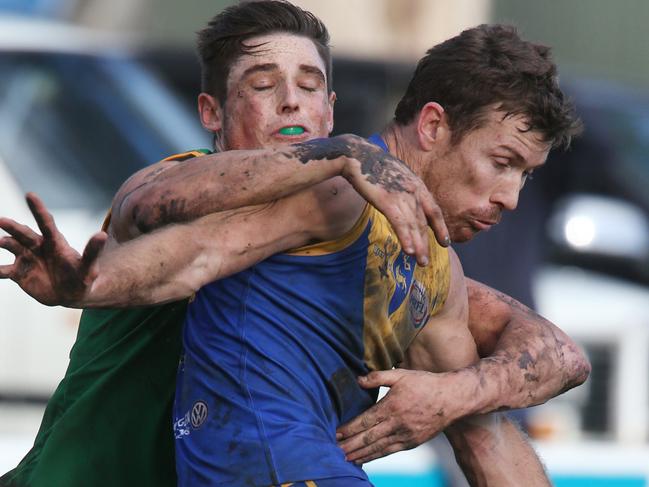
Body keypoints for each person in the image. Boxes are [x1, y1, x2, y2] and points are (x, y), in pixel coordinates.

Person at [0, 2, 588, 486]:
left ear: (330, 108)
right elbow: (162, 223)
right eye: (263, 85)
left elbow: (557, 356)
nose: (291, 102)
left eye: (311, 87)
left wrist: (453, 393)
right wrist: (87, 285)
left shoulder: (412, 253)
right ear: (211, 111)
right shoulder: (205, 179)